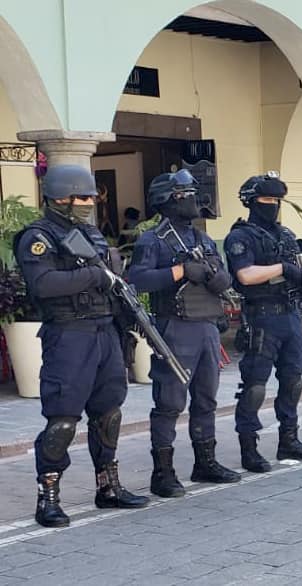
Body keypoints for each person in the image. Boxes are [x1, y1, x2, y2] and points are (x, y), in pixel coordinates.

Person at [15, 164, 149, 527]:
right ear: (61, 197)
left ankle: (108, 486)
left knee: (109, 413)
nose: (91, 202)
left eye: (92, 197)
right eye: (84, 197)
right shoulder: (38, 237)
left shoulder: (90, 234)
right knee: (62, 421)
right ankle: (49, 497)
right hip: (69, 335)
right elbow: (42, 284)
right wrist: (94, 275)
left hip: (105, 331)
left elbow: (114, 277)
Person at [128, 170, 240, 498]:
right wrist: (179, 271)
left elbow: (224, 278)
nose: (193, 199)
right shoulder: (154, 239)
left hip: (206, 325)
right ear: (168, 199)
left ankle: (205, 462)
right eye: (185, 193)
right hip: (174, 326)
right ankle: (162, 472)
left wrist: (217, 278)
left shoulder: (202, 239)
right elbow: (138, 279)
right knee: (169, 402)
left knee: (206, 397)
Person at [224, 171, 302, 473]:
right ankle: (249, 447)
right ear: (252, 202)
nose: (273, 205)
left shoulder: (286, 235)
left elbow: (299, 267)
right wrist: (282, 267)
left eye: (277, 200)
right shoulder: (240, 237)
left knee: (293, 382)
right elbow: (245, 275)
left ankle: (288, 439)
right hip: (262, 316)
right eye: (267, 200)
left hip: (290, 313)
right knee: (255, 386)